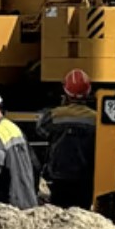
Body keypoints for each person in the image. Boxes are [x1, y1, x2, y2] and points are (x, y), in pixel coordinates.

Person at [39, 69, 99, 209]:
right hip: (85, 177)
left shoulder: (54, 115)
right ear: (88, 92)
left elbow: (41, 131)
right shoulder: (96, 118)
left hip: (59, 176)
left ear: (65, 92)